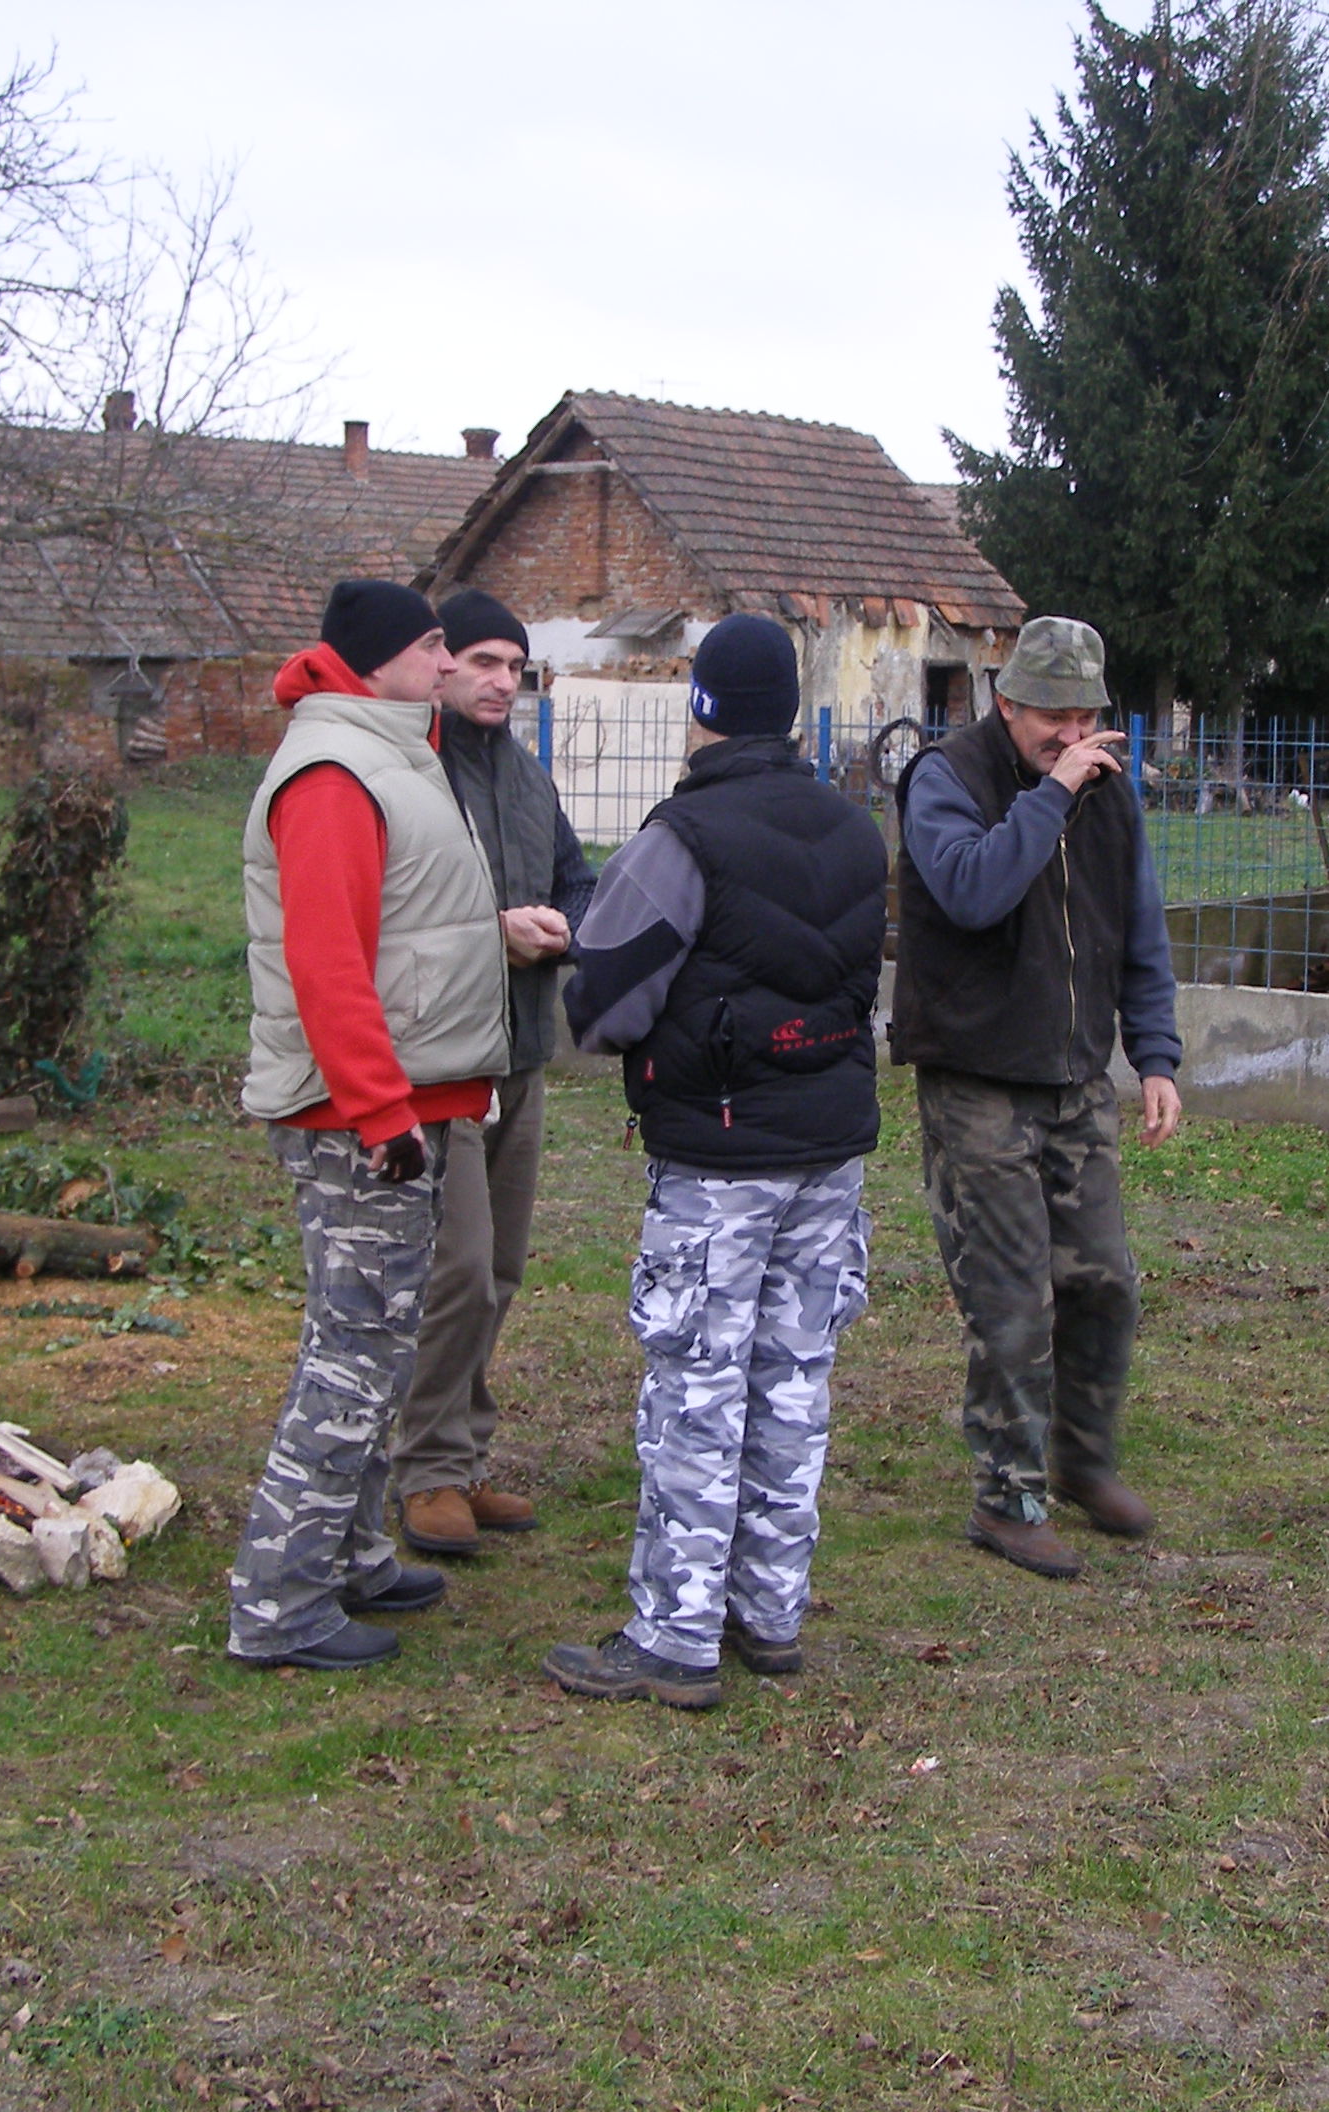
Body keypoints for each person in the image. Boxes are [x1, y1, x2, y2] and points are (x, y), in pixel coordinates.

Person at [540, 614, 888, 1709]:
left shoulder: (680, 840)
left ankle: (675, 1637)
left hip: (721, 1159)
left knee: (697, 1387)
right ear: (788, 709)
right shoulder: (856, 832)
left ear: (701, 709)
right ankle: (769, 1614)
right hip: (829, 1150)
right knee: (794, 1382)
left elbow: (602, 1004)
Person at [226, 579, 511, 1672]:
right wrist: (380, 1110)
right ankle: (278, 1606)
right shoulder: (332, 774)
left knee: (378, 1347)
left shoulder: (391, 753)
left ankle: (349, 1555)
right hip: (356, 1122)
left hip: (399, 1105)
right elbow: (326, 961)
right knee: (350, 1359)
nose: (447, 662)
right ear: (376, 660)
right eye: (433, 645)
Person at [890, 614, 1183, 1582]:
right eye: (1052, 718)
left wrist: (1154, 1055)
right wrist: (1052, 795)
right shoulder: (945, 779)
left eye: (1085, 717)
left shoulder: (1108, 793)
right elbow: (971, 891)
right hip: (976, 1075)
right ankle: (1006, 1499)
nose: (1072, 735)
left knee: (1103, 1283)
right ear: (1005, 702)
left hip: (1074, 1076)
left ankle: (1081, 1461)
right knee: (1010, 1299)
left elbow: (1137, 926)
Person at [390, 588, 597, 1556]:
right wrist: (490, 933)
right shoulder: (410, 775)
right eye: (483, 661)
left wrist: (566, 928)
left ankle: (462, 1458)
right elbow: (390, 917)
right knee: (460, 1270)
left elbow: (577, 880)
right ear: (443, 665)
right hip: (442, 1061)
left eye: (516, 667)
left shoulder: (525, 776)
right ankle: (426, 1469)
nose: (502, 681)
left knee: (501, 1270)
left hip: (523, 1052)